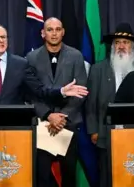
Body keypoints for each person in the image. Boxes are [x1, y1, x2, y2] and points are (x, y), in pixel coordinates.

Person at [26, 17, 87, 187]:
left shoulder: (75, 56)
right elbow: (29, 93)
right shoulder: (31, 57)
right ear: (43, 33)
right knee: (42, 176)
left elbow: (80, 91)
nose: (54, 33)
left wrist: (62, 117)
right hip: (42, 124)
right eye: (50, 29)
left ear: (63, 32)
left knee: (69, 176)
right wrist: (48, 115)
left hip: (68, 124)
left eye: (58, 29)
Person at [85, 22, 134, 187]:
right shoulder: (98, 69)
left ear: (132, 46)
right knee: (106, 173)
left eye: (125, 43)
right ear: (112, 46)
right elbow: (91, 103)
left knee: (133, 173)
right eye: (117, 42)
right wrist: (93, 130)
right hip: (105, 132)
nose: (121, 46)